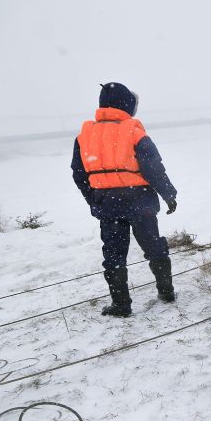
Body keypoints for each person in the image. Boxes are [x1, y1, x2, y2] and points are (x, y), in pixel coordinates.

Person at [71, 82, 179, 317]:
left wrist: (94, 198)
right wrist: (169, 194)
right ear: (127, 105)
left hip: (107, 205)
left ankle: (121, 305)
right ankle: (166, 291)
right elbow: (153, 168)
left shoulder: (84, 136)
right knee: (154, 247)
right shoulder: (134, 131)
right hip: (140, 202)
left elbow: (78, 174)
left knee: (113, 255)